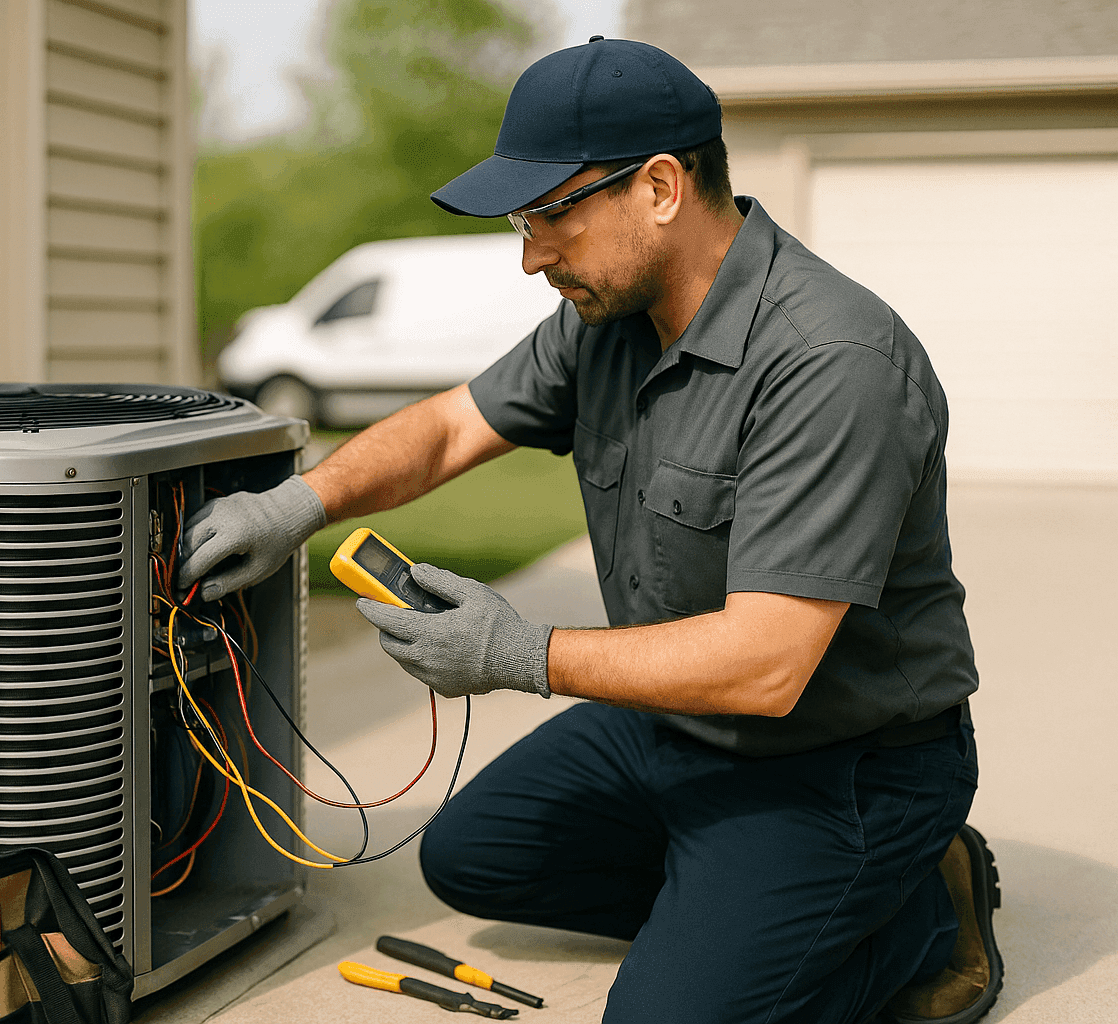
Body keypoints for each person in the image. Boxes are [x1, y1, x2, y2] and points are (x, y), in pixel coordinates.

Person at [177, 37, 1002, 1024]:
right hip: (675, 724)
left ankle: (913, 909)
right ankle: (743, 904)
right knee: (472, 857)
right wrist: (297, 505)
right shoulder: (608, 316)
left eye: (550, 215)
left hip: (838, 761)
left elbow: (769, 663)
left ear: (659, 187)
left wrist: (519, 651)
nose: (531, 256)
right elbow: (448, 427)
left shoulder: (832, 361)